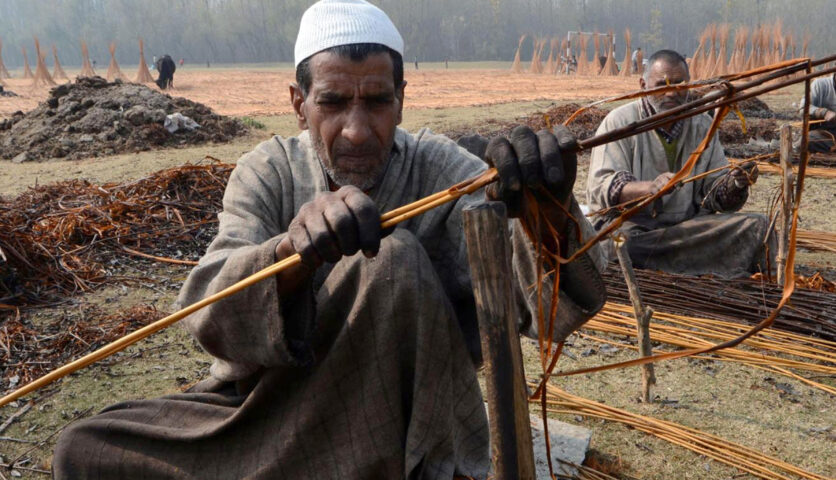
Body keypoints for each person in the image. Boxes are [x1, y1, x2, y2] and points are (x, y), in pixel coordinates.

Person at [51, 1, 606, 479]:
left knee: (389, 258)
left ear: (402, 99)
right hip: (264, 407)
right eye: (334, 103)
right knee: (83, 450)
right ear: (299, 103)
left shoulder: (445, 172)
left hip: (397, 414)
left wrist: (549, 215)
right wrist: (290, 255)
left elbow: (546, 310)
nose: (358, 130)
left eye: (377, 102)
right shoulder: (266, 172)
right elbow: (208, 315)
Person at [586, 49, 772, 279]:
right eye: (662, 84)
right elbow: (603, 186)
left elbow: (714, 193)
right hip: (634, 229)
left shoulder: (703, 124)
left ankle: (672, 262)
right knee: (618, 245)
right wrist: (650, 188)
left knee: (758, 226)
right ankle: (692, 263)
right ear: (643, 84)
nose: (672, 92)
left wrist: (735, 183)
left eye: (679, 84)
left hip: (686, 229)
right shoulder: (620, 122)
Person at [801, 72, 836, 153]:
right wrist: (824, 112)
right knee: (808, 140)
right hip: (823, 134)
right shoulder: (820, 84)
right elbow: (803, 108)